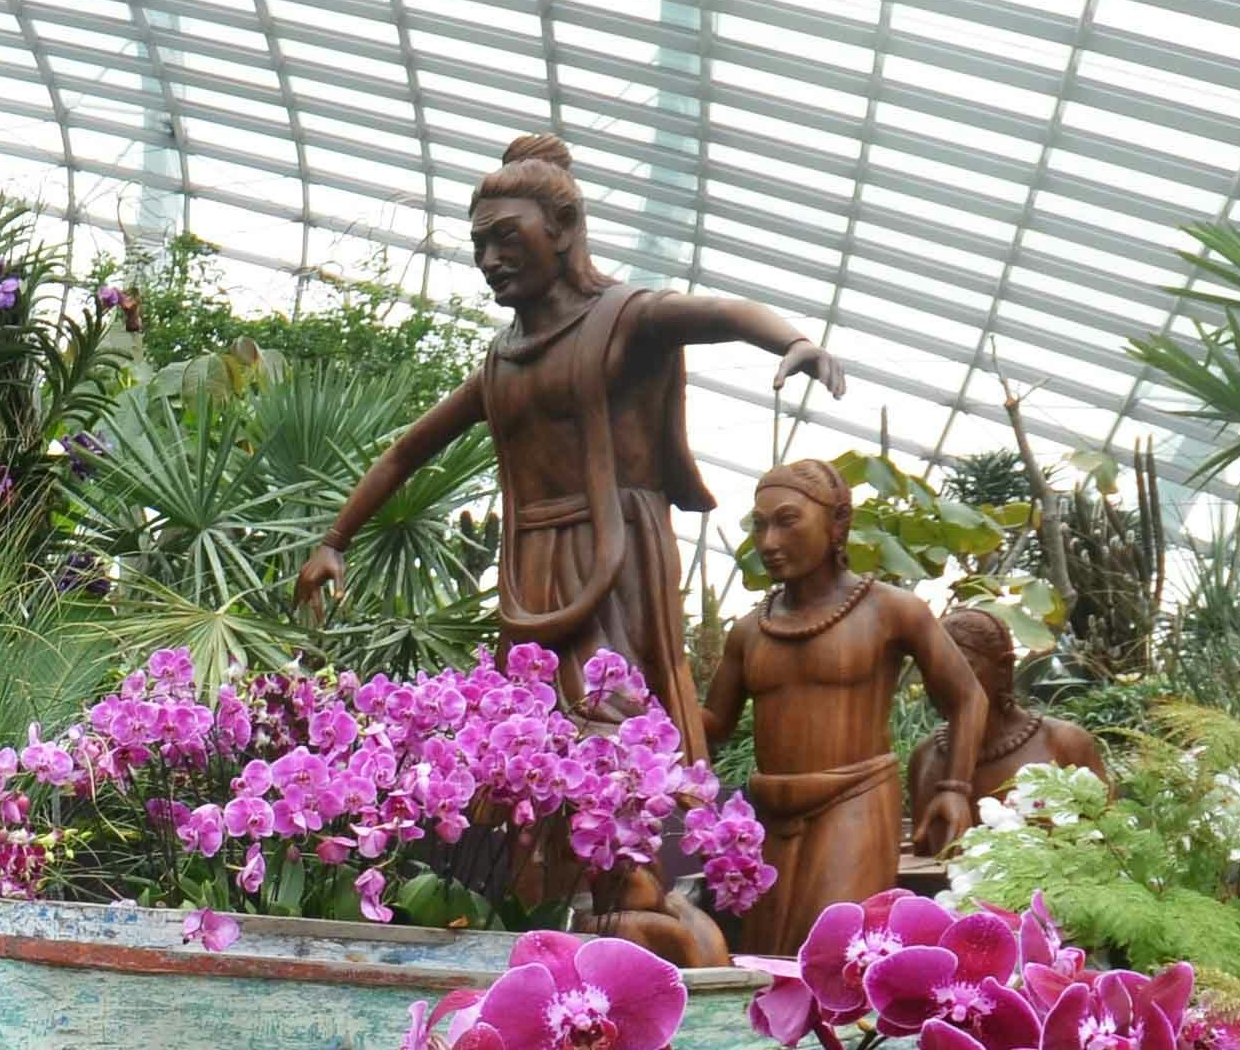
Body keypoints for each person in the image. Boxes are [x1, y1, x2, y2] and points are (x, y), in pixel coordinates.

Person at [291, 131, 848, 754]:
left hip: (619, 548)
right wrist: (333, 542)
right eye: (479, 243)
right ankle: (541, 842)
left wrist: (791, 341)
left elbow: (719, 313)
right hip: (530, 560)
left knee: (615, 715)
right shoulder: (502, 362)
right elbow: (407, 451)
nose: (489, 258)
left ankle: (640, 832)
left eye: (506, 236)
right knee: (535, 726)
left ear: (562, 227)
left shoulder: (624, 319)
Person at [702, 460, 990, 958]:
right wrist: (650, 694)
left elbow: (967, 697)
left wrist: (955, 789)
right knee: (767, 955)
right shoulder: (749, 631)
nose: (768, 541)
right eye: (759, 524)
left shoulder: (892, 610)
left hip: (853, 800)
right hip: (770, 811)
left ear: (837, 522)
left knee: (833, 950)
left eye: (787, 520)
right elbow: (713, 725)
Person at [914, 607, 1105, 857]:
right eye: (932, 669)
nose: (941, 681)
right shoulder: (925, 758)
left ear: (1004, 668)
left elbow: (1111, 844)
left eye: (962, 668)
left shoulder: (1064, 744)